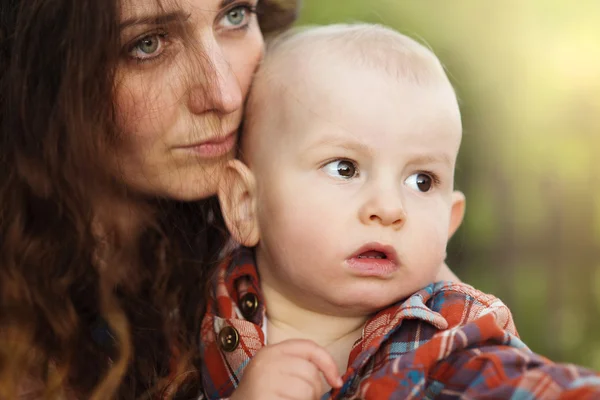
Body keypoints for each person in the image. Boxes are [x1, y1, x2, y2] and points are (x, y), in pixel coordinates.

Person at [202, 23, 600, 399]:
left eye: (422, 181)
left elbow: (530, 386)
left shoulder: (447, 335)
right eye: (345, 168)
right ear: (245, 205)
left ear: (449, 222)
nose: (389, 209)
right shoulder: (198, 294)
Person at [0, 0, 303, 398]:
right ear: (39, 74)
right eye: (147, 45)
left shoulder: (291, 246)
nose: (224, 95)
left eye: (235, 15)